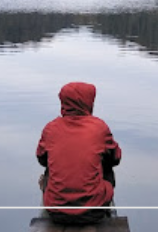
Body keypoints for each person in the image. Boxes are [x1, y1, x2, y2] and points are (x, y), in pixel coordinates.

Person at [36, 81, 122, 225]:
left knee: (49, 169)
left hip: (56, 212)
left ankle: (52, 203)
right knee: (107, 168)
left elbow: (41, 159)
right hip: (93, 212)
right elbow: (116, 158)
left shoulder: (50, 129)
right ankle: (107, 211)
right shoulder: (99, 128)